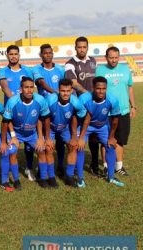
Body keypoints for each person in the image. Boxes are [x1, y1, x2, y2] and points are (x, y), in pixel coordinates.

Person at [1, 77, 52, 188]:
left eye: (31, 87)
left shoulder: (40, 100)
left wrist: (43, 137)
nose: (29, 90)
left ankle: (43, 179)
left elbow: (45, 119)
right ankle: (16, 180)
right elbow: (5, 122)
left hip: (32, 134)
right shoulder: (12, 101)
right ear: (21, 89)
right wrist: (9, 139)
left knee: (41, 150)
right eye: (26, 87)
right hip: (16, 133)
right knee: (13, 151)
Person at [95, 46, 136, 176]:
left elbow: (129, 88)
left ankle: (119, 166)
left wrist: (133, 106)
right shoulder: (100, 70)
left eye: (116, 57)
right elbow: (97, 90)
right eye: (111, 57)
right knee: (105, 139)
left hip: (123, 111)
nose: (114, 60)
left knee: (120, 140)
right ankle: (106, 166)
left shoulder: (125, 69)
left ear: (119, 57)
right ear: (106, 57)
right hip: (105, 112)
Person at [77, 76, 124, 187]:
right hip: (85, 125)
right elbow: (81, 118)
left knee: (110, 146)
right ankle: (80, 178)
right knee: (79, 147)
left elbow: (115, 120)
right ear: (93, 88)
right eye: (98, 88)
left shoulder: (112, 100)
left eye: (103, 88)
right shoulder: (84, 99)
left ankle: (111, 177)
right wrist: (80, 137)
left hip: (102, 126)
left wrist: (111, 137)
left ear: (106, 88)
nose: (101, 91)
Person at [0, 45, 36, 182]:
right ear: (7, 55)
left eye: (16, 54)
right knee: (12, 142)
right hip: (11, 111)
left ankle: (29, 167)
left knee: (29, 139)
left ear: (19, 55)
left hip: (27, 109)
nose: (13, 56)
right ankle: (10, 169)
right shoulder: (3, 71)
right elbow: (4, 86)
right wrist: (15, 100)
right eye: (11, 54)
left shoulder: (27, 70)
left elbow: (30, 86)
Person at [64, 37, 100, 177]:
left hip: (94, 103)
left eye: (84, 47)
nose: (82, 49)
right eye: (79, 47)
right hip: (79, 106)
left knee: (94, 136)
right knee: (77, 136)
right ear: (75, 47)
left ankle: (94, 164)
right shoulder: (70, 64)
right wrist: (89, 94)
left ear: (87, 47)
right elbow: (73, 83)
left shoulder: (92, 61)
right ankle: (71, 166)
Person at [32, 44, 66, 177]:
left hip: (60, 108)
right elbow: (41, 83)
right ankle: (42, 167)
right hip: (44, 109)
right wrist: (55, 93)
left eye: (50, 53)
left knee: (60, 140)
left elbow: (65, 85)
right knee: (44, 138)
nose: (48, 55)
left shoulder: (60, 69)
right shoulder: (36, 69)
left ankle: (60, 165)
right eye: (45, 53)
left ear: (52, 54)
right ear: (41, 55)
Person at [45, 79, 87, 188]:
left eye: (68, 91)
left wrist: (74, 136)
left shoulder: (76, 102)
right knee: (49, 148)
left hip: (65, 127)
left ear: (72, 90)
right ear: (58, 90)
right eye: (63, 91)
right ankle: (51, 177)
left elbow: (75, 117)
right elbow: (45, 118)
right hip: (51, 127)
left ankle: (69, 176)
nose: (65, 93)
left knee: (73, 146)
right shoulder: (50, 100)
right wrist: (48, 137)